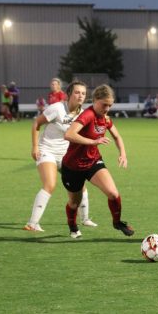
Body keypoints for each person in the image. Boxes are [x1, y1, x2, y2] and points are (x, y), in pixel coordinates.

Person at [61, 84, 134, 239]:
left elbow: (117, 136)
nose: (107, 108)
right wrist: (92, 142)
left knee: (113, 193)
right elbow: (69, 134)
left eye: (110, 105)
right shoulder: (87, 115)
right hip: (72, 166)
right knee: (74, 203)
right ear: (94, 100)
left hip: (93, 162)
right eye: (104, 105)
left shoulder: (105, 118)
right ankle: (73, 226)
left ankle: (117, 222)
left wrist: (123, 154)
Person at [24, 81, 97, 232]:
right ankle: (32, 223)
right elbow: (36, 123)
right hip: (47, 151)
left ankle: (85, 219)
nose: (80, 96)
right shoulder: (57, 108)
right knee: (50, 185)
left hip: (67, 156)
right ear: (69, 94)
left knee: (80, 185)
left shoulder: (83, 114)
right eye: (77, 92)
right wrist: (35, 146)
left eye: (83, 93)